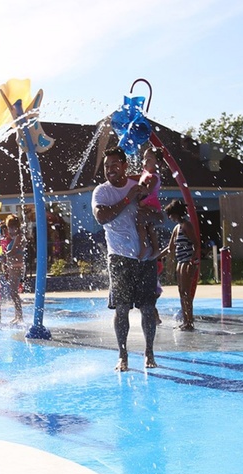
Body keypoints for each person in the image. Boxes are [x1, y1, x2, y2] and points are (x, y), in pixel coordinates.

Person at [92, 146, 163, 371]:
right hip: (120, 257)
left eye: (114, 165)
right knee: (122, 309)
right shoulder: (101, 192)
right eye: (106, 166)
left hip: (145, 259)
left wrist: (148, 213)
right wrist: (126, 200)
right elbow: (101, 217)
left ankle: (149, 352)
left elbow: (160, 216)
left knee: (148, 308)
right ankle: (122, 354)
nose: (110, 170)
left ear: (124, 166)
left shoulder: (139, 186)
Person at [164, 200, 200, 331]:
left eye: (170, 215)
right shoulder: (176, 228)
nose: (169, 218)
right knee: (181, 292)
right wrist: (154, 257)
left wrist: (192, 260)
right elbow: (170, 248)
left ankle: (190, 322)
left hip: (187, 261)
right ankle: (186, 321)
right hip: (180, 262)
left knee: (186, 293)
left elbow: (196, 244)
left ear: (176, 214)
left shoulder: (186, 226)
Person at [129, 146, 164, 259]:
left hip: (151, 206)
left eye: (149, 159)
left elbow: (148, 190)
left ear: (157, 163)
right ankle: (156, 249)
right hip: (146, 206)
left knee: (140, 222)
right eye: (144, 159)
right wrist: (126, 178)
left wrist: (139, 189)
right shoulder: (145, 173)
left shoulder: (154, 177)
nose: (145, 161)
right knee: (149, 228)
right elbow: (139, 177)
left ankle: (144, 247)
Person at [2, 214, 25, 324]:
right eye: (9, 228)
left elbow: (14, 251)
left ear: (17, 227)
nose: (10, 230)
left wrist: (3, 254)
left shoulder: (19, 237)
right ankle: (17, 315)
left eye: (12, 227)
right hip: (12, 267)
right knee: (13, 292)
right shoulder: (15, 237)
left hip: (16, 267)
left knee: (13, 292)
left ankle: (19, 316)